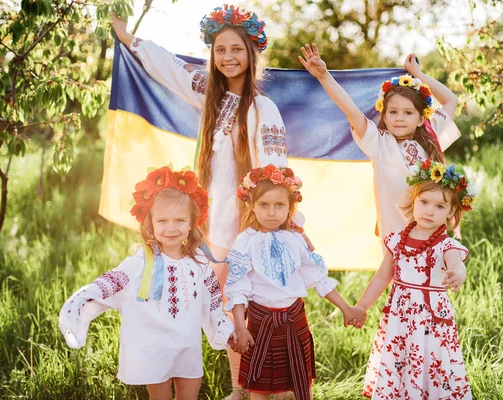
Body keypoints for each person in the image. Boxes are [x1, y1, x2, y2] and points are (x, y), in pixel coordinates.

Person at [110, 7, 294, 397]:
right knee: (221, 304)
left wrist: (277, 223)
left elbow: (277, 172)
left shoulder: (265, 110)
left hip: (247, 227)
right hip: (210, 228)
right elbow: (171, 69)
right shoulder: (208, 97)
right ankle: (235, 385)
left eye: (236, 50)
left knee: (246, 305)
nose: (228, 57)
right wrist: (129, 39)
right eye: (220, 49)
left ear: (251, 53)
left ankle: (256, 385)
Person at [59, 166, 236, 400]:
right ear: (150, 223)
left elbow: (212, 301)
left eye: (179, 220)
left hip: (187, 345)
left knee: (189, 393)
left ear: (192, 223)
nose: (171, 228)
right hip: (155, 347)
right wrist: (81, 304)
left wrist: (226, 330)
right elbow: (111, 283)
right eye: (162, 220)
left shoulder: (200, 262)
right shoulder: (141, 262)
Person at [223, 164, 365, 400]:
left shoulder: (295, 240)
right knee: (259, 386)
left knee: (300, 380)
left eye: (279, 205)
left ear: (290, 208)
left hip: (294, 319)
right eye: (264, 205)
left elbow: (318, 278)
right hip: (260, 321)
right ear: (251, 205)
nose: (271, 213)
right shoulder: (245, 241)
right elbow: (237, 287)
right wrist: (240, 326)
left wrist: (346, 308)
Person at [298, 44, 461, 240]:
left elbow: (451, 100)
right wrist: (323, 76)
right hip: (397, 239)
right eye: (393, 112)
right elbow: (350, 108)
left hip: (432, 238)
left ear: (420, 118)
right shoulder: (379, 144)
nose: (399, 118)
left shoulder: (430, 137)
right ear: (384, 114)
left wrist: (418, 75)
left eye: (408, 112)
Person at [351, 160, 476, 398]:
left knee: (430, 361)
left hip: (430, 320)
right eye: (424, 202)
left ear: (451, 212)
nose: (429, 210)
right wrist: (361, 307)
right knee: (400, 360)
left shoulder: (446, 244)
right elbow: (381, 277)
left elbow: (457, 265)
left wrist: (458, 275)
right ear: (414, 201)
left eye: (440, 206)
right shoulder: (397, 239)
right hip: (400, 318)